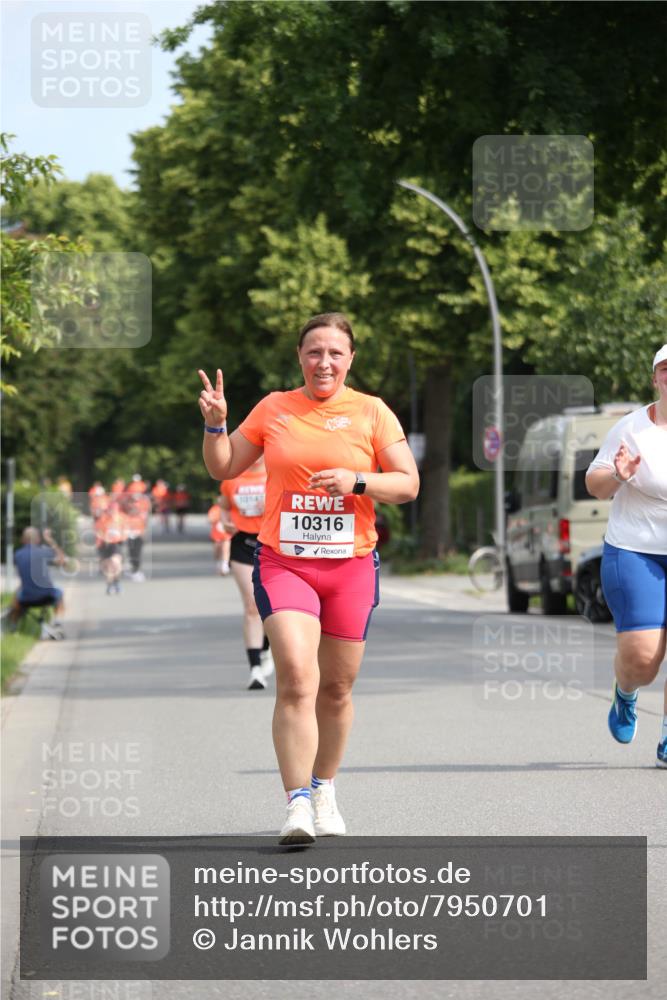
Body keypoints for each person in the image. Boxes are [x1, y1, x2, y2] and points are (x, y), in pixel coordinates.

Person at [198, 312, 419, 844]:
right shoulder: (274, 408)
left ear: (350, 359)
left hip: (350, 566)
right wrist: (216, 425)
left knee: (337, 689)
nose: (324, 362)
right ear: (300, 356)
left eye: (335, 353)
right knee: (298, 677)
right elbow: (223, 467)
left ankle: (323, 788)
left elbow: (407, 484)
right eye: (314, 352)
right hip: (285, 562)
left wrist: (357, 481)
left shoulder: (372, 411)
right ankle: (296, 802)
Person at [585, 344, 667, 769]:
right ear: (655, 379)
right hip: (637, 550)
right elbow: (595, 484)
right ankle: (626, 691)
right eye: (666, 369)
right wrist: (618, 475)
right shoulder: (631, 429)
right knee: (643, 660)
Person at [220, 457, 274, 690]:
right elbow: (223, 506)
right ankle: (255, 670)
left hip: (272, 543)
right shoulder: (233, 478)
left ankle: (267, 646)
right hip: (243, 543)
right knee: (252, 605)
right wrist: (225, 522)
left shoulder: (275, 473)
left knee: (271, 605)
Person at [11, 527, 66, 639]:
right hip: (48, 596)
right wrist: (50, 540)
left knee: (16, 597)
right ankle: (56, 622)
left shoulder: (17, 555)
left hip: (26, 598)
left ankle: (14, 628)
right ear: (38, 540)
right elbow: (61, 560)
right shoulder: (43, 552)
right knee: (60, 591)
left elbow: (23, 577)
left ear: (23, 540)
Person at [95, 502, 126, 594]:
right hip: (105, 545)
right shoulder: (103, 519)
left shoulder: (122, 519)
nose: (112, 512)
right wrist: (104, 538)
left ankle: (117, 582)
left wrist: (121, 537)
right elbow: (98, 532)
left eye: (114, 510)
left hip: (116, 544)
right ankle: (110, 585)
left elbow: (125, 531)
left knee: (116, 562)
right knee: (109, 567)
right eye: (111, 510)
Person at [207, 498, 232, 574]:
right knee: (217, 549)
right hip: (216, 533)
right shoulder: (215, 509)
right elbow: (210, 519)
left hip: (227, 533)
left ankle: (225, 566)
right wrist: (219, 517)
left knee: (226, 548)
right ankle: (218, 562)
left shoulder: (230, 508)